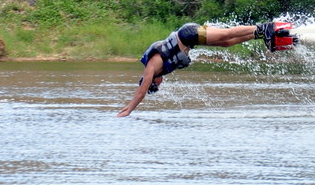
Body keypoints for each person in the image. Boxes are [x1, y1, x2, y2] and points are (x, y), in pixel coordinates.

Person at [117, 21, 293, 117]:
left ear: (151, 82)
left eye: (155, 85)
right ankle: (260, 35)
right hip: (191, 40)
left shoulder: (150, 68)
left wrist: (129, 109)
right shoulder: (159, 70)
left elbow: (140, 93)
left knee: (226, 34)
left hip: (188, 34)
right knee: (226, 43)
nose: (159, 83)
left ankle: (264, 27)